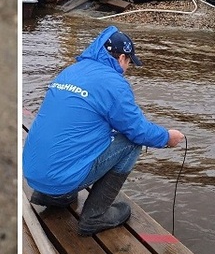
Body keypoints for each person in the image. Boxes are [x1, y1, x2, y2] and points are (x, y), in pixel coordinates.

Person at [23, 26, 186, 236]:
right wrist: (167, 137)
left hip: (33, 173)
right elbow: (138, 131)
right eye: (129, 63)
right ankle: (94, 216)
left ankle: (50, 196)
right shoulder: (114, 83)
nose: (127, 69)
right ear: (122, 58)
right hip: (60, 178)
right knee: (130, 142)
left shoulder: (71, 71)